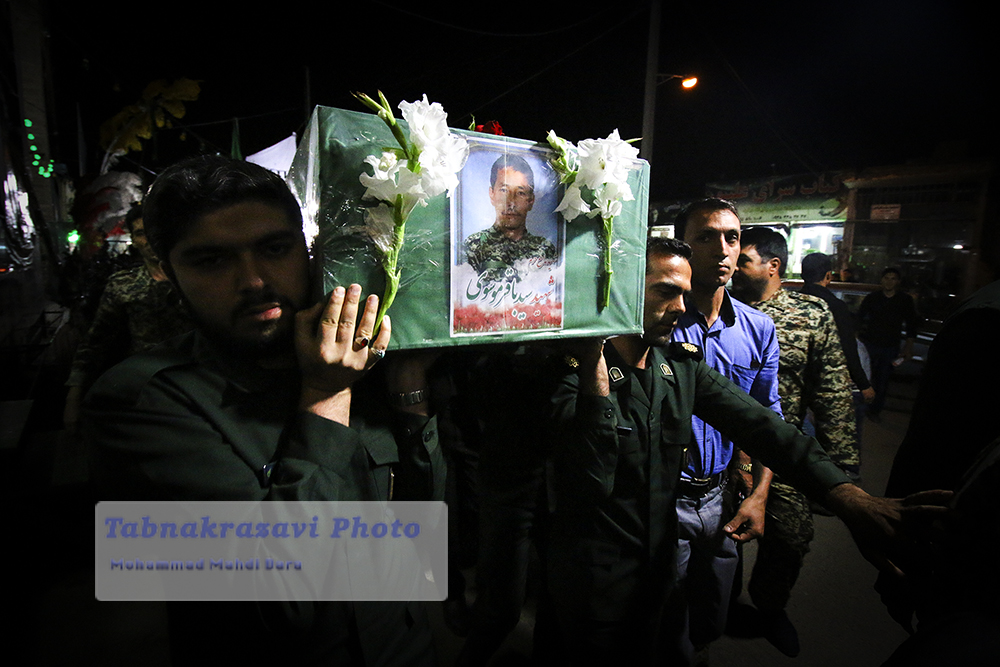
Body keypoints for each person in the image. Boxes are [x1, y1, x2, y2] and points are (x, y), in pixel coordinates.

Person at [84, 156, 444, 665]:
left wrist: (409, 387)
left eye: (275, 249)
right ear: (162, 270)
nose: (253, 280)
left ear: (308, 248)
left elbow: (422, 536)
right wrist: (324, 397)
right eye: (212, 260)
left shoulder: (351, 363)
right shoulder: (139, 403)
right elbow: (280, 603)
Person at [546, 236, 946, 664]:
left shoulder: (679, 368)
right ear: (621, 290)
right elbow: (591, 478)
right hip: (596, 591)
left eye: (684, 293)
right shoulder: (571, 374)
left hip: (660, 580)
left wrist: (848, 497)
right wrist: (593, 369)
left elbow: (764, 427)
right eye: (666, 292)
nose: (681, 309)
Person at [732, 227, 859, 656]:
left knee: (790, 536)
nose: (733, 264)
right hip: (720, 447)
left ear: (773, 266)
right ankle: (719, 602)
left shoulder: (810, 314)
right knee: (717, 536)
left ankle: (769, 607)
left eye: (743, 258)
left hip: (780, 450)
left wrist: (840, 472)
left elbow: (832, 391)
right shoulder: (717, 308)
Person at [668, 198, 781, 664]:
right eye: (706, 237)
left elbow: (767, 423)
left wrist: (759, 496)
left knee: (712, 615)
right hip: (665, 499)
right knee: (667, 623)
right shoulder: (657, 322)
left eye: (731, 237)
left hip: (721, 500)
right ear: (683, 247)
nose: (722, 249)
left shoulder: (758, 329)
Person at [63, 205, 194, 432]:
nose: (149, 240)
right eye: (141, 233)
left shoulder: (199, 279)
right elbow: (95, 343)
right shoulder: (123, 284)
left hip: (202, 385)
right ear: (133, 240)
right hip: (147, 393)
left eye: (155, 231)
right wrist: (73, 399)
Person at [463, 154, 556, 281]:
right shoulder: (473, 246)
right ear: (492, 194)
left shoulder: (545, 249)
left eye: (520, 193)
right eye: (504, 190)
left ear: (531, 200)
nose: (511, 202)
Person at [856, 267, 921, 422]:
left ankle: (875, 411)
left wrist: (908, 347)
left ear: (898, 281)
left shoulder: (904, 300)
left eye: (893, 278)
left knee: (883, 380)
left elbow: (912, 325)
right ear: (881, 279)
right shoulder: (873, 298)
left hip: (890, 346)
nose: (889, 281)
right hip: (870, 343)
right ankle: (862, 407)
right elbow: (859, 319)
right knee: (865, 377)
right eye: (886, 278)